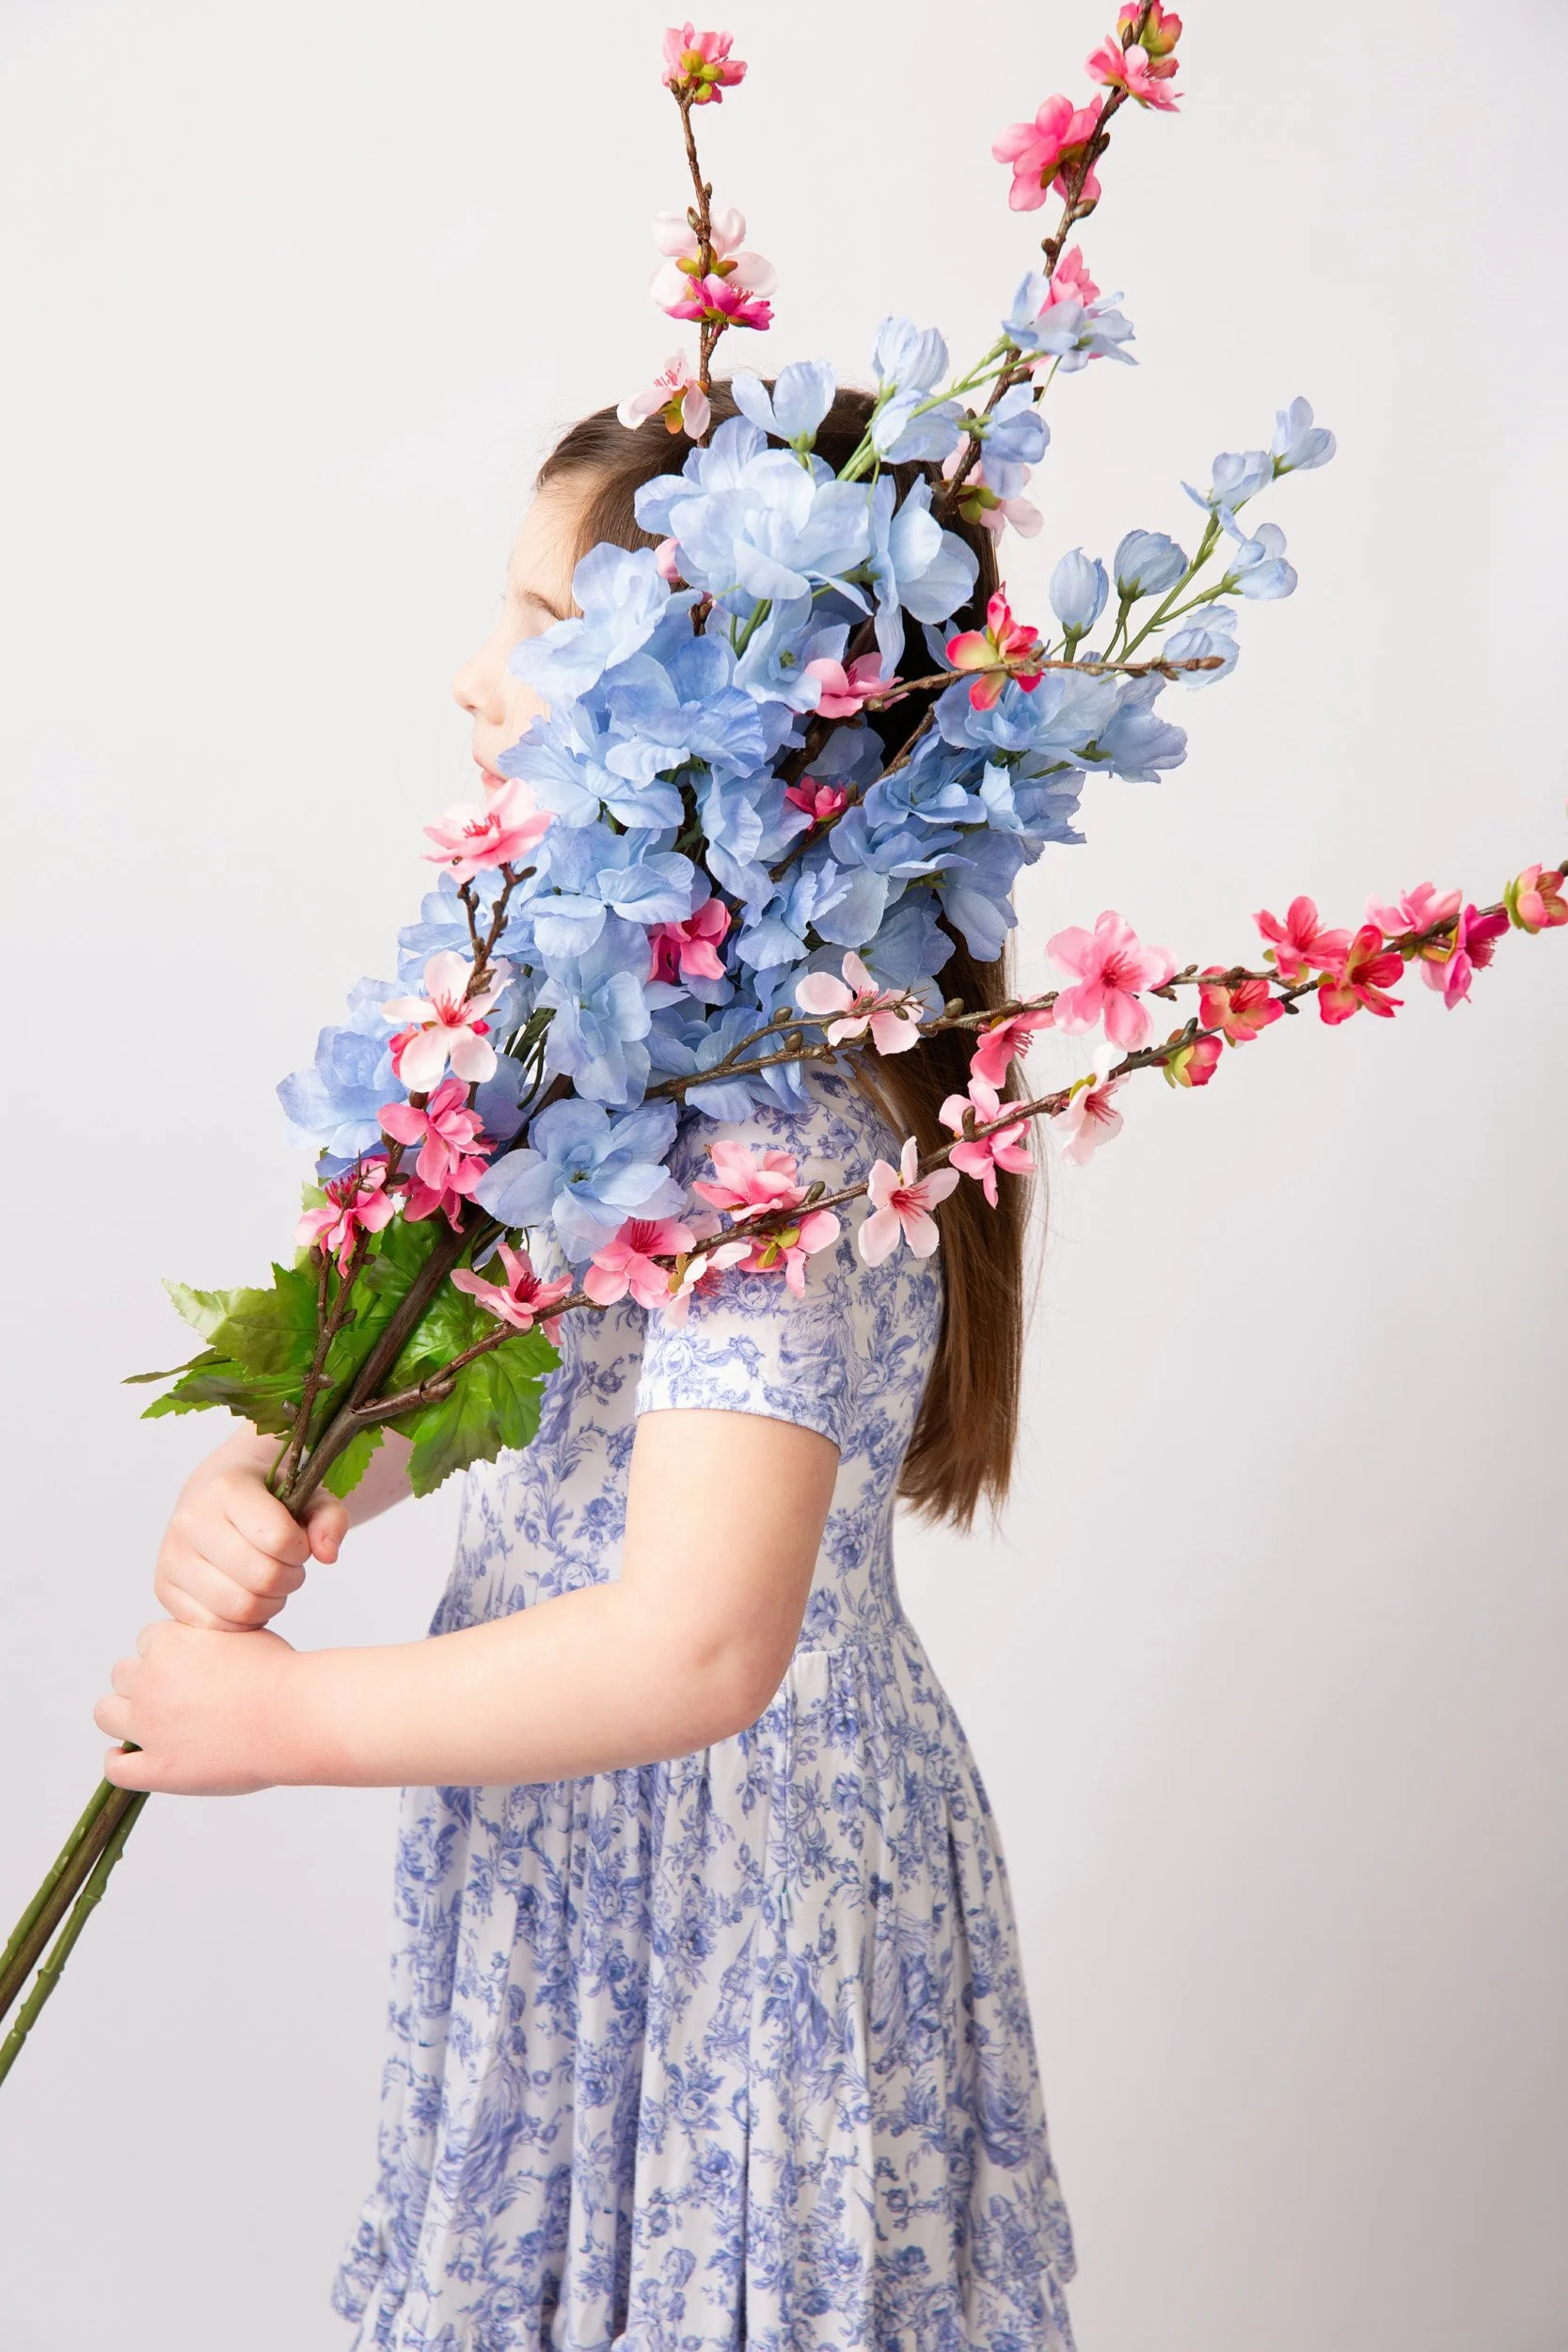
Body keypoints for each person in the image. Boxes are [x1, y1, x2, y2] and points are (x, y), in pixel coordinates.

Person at [94, 389, 1080, 2352]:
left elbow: (696, 1647)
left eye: (543, 627)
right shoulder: (626, 1051)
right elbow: (500, 1352)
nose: (475, 673)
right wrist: (297, 1465)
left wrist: (279, 1720)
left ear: (717, 735)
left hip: (735, 1877)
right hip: (572, 1836)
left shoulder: (779, 1136)